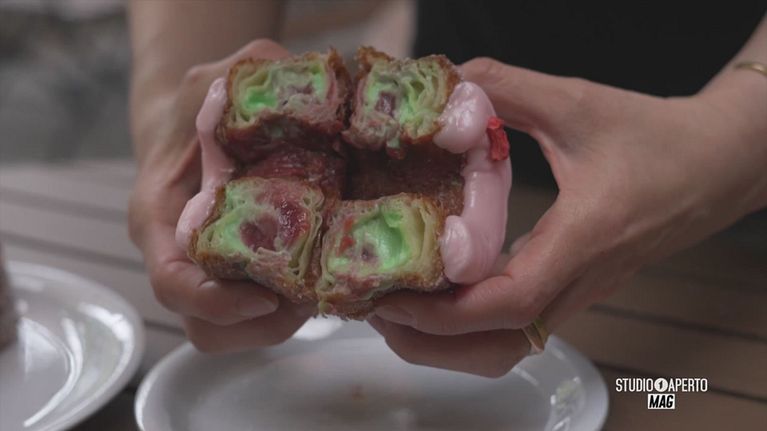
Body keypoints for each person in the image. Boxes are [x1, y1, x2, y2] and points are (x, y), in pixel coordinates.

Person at [128, 1, 767, 377]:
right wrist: (168, 110)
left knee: (674, 392)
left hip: (735, 256)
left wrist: (729, 137)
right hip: (451, 119)